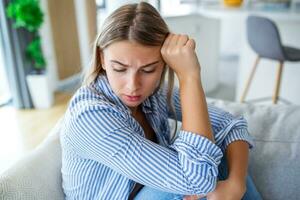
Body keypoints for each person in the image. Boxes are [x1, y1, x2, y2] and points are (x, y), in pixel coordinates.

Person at [60, 2, 262, 200]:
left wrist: (236, 184)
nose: (133, 85)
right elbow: (198, 181)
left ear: (164, 64)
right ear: (102, 59)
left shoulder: (154, 93)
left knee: (215, 153)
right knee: (198, 171)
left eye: (148, 70)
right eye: (119, 68)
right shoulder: (89, 117)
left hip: (150, 191)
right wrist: (189, 76)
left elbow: (231, 125)